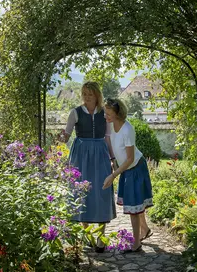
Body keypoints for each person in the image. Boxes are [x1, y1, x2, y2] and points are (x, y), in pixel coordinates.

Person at [60, 82, 116, 252]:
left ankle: (100, 238)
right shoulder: (75, 113)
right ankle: (87, 235)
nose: (87, 97)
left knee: (102, 192)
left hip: (100, 154)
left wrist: (112, 158)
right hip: (81, 155)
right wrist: (60, 137)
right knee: (81, 192)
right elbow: (66, 135)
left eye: (90, 94)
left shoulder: (104, 113)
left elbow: (108, 137)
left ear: (97, 95)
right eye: (84, 93)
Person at [102, 98, 153, 253]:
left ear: (118, 114)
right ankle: (145, 229)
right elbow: (110, 143)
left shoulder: (127, 129)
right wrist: (113, 161)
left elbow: (130, 158)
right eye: (105, 113)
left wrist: (113, 175)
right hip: (126, 168)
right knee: (135, 203)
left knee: (133, 206)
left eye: (109, 114)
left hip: (136, 167)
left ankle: (136, 243)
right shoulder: (111, 126)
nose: (106, 117)